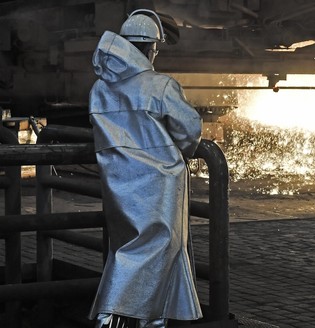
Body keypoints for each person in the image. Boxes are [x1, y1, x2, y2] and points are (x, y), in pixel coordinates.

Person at [88, 9, 203, 328]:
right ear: (152, 47)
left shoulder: (99, 90)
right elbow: (189, 130)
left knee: (130, 249)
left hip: (118, 184)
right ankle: (109, 319)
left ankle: (152, 321)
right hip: (159, 185)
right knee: (154, 251)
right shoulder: (160, 85)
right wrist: (181, 152)